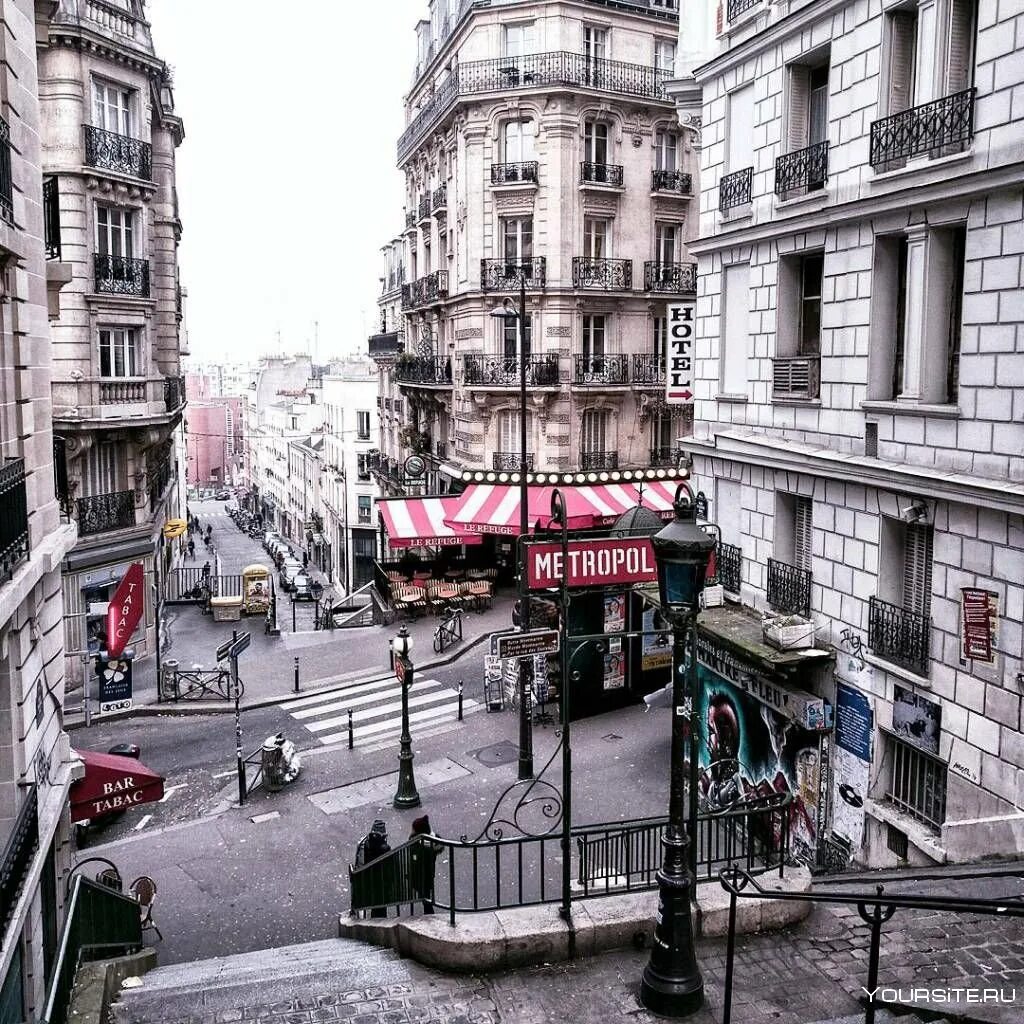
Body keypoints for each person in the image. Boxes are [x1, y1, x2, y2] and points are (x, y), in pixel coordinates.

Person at [354, 820, 391, 918]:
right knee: (380, 909)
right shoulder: (385, 849)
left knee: (373, 905)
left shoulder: (363, 843)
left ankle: (365, 916)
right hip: (380, 886)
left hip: (365, 883)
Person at [408, 815, 440, 915]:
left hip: (419, 874)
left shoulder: (417, 845)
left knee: (424, 894)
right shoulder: (432, 840)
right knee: (427, 892)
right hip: (429, 872)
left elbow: (414, 858)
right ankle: (429, 909)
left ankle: (429, 912)